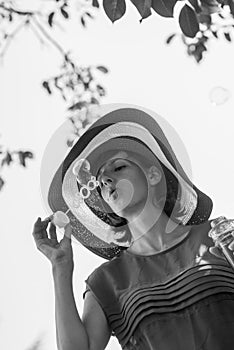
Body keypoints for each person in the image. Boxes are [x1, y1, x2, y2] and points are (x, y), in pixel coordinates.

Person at [32, 106, 234, 350]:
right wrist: (60, 268)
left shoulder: (218, 235)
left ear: (153, 174)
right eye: (101, 181)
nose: (106, 180)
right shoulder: (105, 282)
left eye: (118, 167)